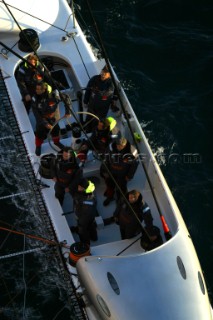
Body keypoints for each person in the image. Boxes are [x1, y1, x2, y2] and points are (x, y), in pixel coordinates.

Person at [32, 82, 71, 156]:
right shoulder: (35, 99)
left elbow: (66, 98)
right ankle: (38, 146)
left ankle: (56, 142)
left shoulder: (54, 96)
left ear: (44, 90)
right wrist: (45, 123)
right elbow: (36, 114)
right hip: (42, 120)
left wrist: (68, 112)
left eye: (39, 89)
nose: (37, 90)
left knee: (56, 131)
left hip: (54, 118)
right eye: (36, 89)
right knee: (40, 134)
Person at [100, 136, 138, 206]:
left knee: (121, 188)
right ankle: (110, 197)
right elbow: (106, 158)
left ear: (125, 145)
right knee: (109, 184)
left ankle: (120, 201)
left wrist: (129, 176)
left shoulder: (131, 153)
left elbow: (134, 165)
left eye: (121, 146)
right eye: (117, 145)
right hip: (111, 171)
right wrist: (104, 170)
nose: (118, 147)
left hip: (123, 174)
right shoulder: (110, 148)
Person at [83, 65, 118, 132]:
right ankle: (87, 131)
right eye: (103, 71)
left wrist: (98, 92)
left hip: (102, 109)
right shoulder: (94, 79)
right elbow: (88, 90)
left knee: (97, 123)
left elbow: (109, 93)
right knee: (88, 120)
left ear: (109, 75)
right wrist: (85, 101)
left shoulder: (111, 84)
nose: (103, 74)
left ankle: (94, 134)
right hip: (91, 105)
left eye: (106, 73)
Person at [72, 178, 98, 245]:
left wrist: (79, 217)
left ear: (84, 188)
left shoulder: (87, 199)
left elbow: (86, 211)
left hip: (84, 218)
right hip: (89, 216)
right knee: (91, 226)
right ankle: (94, 237)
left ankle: (86, 244)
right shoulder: (85, 193)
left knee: (83, 231)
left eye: (80, 187)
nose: (78, 187)